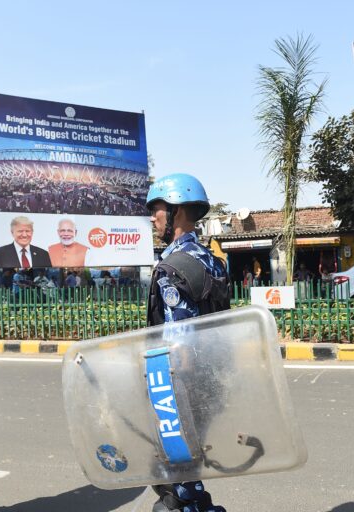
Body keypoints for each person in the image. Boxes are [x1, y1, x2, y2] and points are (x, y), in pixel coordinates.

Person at [146, 173, 229, 512]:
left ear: (177, 212)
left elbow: (177, 349)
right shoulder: (214, 261)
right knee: (185, 474)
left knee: (173, 484)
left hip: (181, 393)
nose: (153, 218)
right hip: (213, 383)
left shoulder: (171, 268)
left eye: (158, 210)